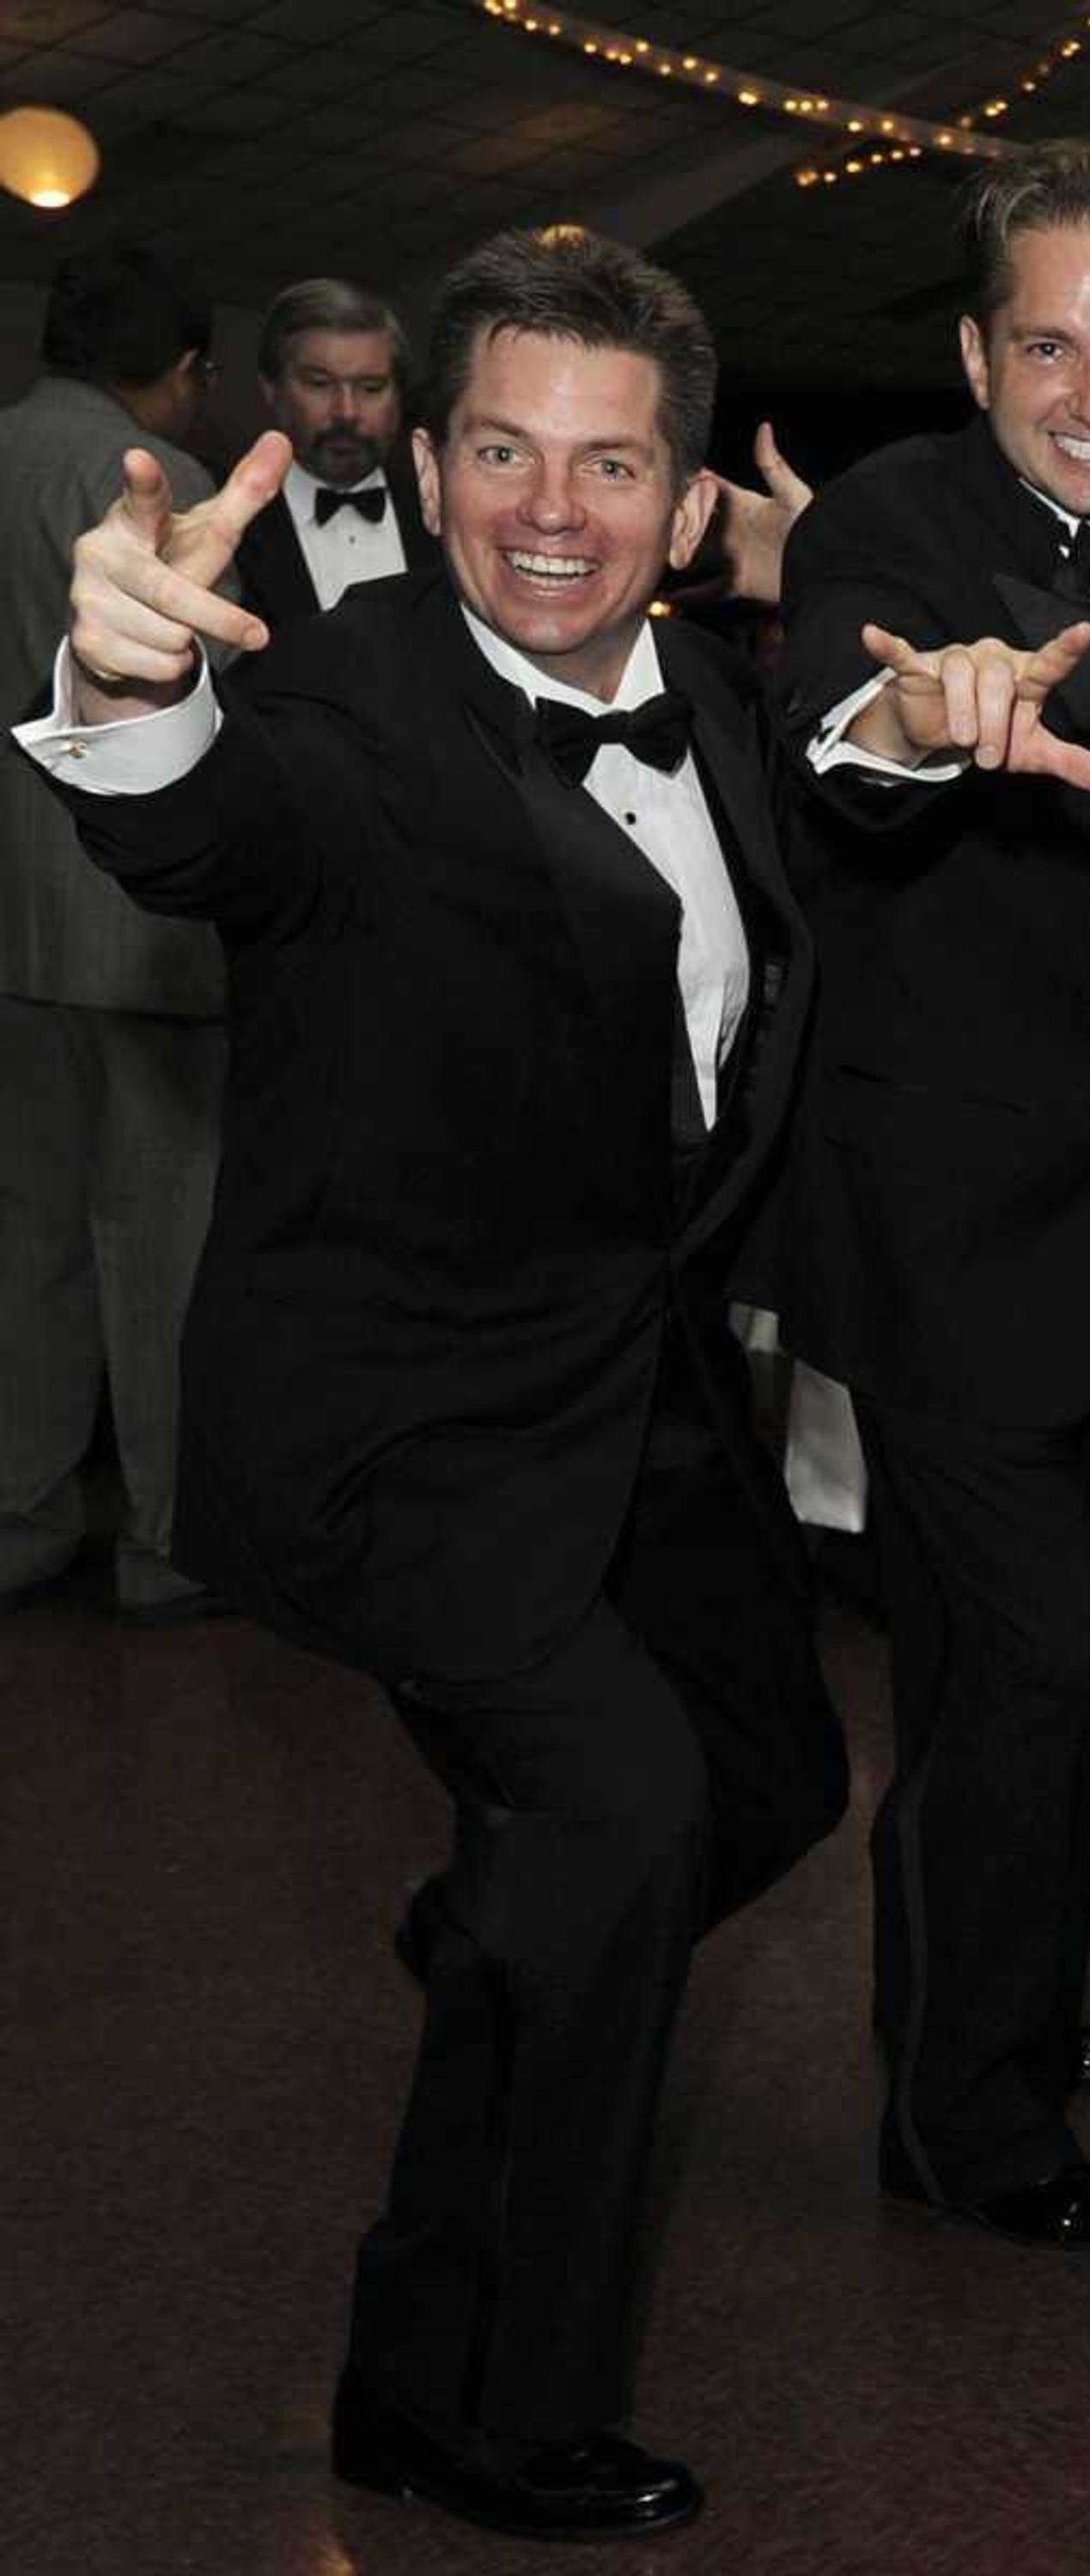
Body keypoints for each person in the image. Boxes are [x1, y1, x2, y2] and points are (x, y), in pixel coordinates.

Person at [14, 223, 844, 2542]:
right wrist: (124, 686)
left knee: (766, 1781)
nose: (546, 508)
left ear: (688, 513)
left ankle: (499, 1930)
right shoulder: (354, 697)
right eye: (500, 447)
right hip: (404, 1422)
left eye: (606, 464)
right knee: (613, 1825)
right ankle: (464, 2392)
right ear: (440, 456)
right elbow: (203, 822)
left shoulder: (729, 711)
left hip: (632, 1390)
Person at [771, 137, 1090, 2253]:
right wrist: (913, 724)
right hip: (948, 1218)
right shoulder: (895, 527)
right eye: (1052, 343)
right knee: (1030, 1662)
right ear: (981, 352)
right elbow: (835, 738)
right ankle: (963, 2117)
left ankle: (1006, 1992)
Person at [0, 242, 229, 1621]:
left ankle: (19, 1514)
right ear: (183, 373)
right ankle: (166, 1534)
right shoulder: (166, 488)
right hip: (141, 925)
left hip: (4, 923)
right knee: (162, 1254)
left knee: (23, 1242)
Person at [230, 277, 441, 624]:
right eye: (319, 384)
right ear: (271, 390)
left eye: (371, 388)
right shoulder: (235, 531)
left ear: (399, 396)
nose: (346, 412)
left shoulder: (446, 513)